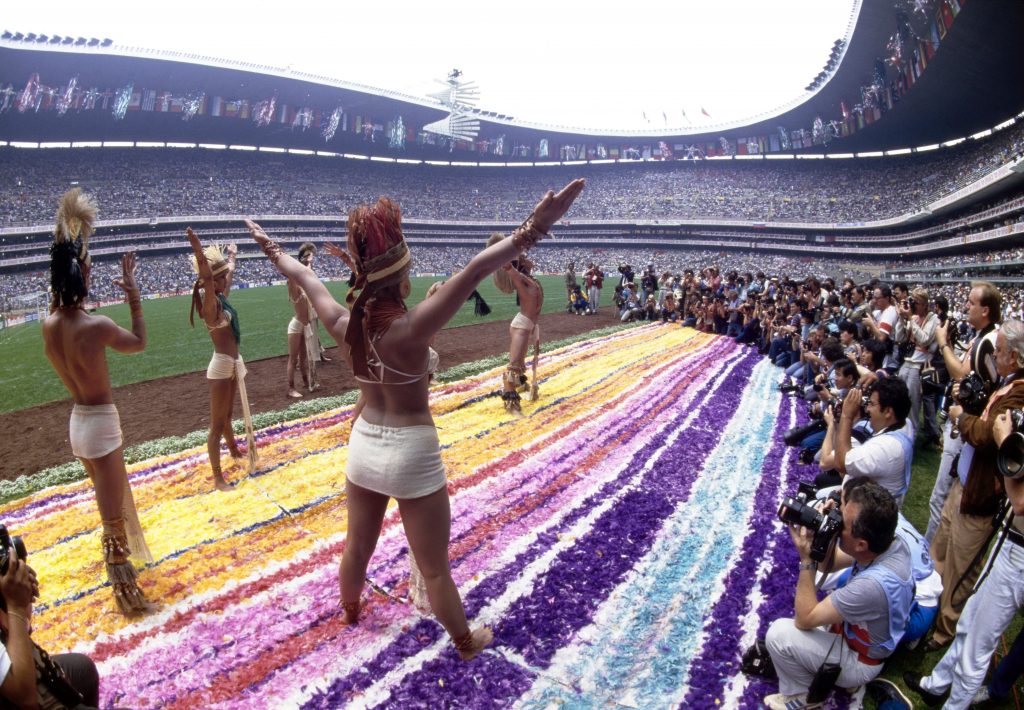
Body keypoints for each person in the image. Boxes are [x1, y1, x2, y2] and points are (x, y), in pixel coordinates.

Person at [246, 178, 585, 661]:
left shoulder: (342, 325)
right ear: (401, 282)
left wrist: (269, 247)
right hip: (412, 453)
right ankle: (465, 642)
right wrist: (534, 228)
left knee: (356, 547)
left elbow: (303, 275)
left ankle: (350, 612)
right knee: (434, 567)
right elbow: (477, 268)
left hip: (364, 447)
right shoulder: (412, 327)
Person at [41, 188, 152, 615]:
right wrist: (134, 296)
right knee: (112, 520)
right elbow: (139, 342)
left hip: (78, 425)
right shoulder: (95, 326)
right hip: (102, 426)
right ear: (83, 275)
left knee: (109, 509)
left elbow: (60, 302)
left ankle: (127, 585)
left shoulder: (49, 326)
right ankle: (127, 598)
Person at [905, 321, 1024, 709]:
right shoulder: (1007, 384)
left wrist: (968, 421)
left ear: (1015, 356)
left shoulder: (1019, 394)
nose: (995, 355)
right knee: (969, 610)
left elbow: (1016, 490)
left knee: (976, 629)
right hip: (979, 497)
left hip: (1007, 528)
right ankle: (936, 676)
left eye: (1000, 350)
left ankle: (946, 660)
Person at [763, 479, 914, 710]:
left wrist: (806, 559)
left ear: (861, 544)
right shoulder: (889, 542)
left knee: (779, 635)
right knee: (818, 608)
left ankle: (803, 695)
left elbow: (804, 618)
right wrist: (824, 536)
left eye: (842, 522)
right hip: (860, 635)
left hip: (860, 660)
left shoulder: (872, 586)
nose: (836, 523)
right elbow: (829, 564)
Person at [927, 282, 1005, 651]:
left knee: (961, 563)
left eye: (1002, 353)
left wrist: (943, 344)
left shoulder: (1012, 384)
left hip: (978, 480)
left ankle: (944, 628)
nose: (995, 357)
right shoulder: (992, 355)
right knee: (942, 544)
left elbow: (987, 429)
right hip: (966, 471)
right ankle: (929, 606)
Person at [0, 550, 116, 709]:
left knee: (82, 669)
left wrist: (18, 595)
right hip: (23, 694)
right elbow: (25, 697)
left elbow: (20, 632)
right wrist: (15, 607)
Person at [187, 228, 257, 491]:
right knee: (216, 425)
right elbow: (207, 278)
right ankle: (217, 478)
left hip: (232, 364)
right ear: (213, 282)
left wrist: (232, 257)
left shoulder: (221, 299)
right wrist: (198, 251)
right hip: (220, 367)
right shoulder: (210, 305)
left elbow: (227, 276)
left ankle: (234, 450)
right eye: (222, 277)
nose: (226, 279)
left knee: (228, 416)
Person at [820, 378, 914, 505]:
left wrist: (846, 416)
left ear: (888, 412)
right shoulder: (905, 423)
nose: (867, 409)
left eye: (872, 404)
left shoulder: (885, 447)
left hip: (868, 511)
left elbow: (841, 463)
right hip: (866, 498)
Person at [487, 232, 545, 412]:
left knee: (519, 363)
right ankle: (510, 401)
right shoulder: (521, 281)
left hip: (526, 326)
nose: (528, 260)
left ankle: (520, 384)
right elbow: (510, 270)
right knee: (513, 365)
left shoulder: (529, 280)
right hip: (521, 326)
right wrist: (509, 257)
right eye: (525, 259)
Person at [896, 287, 938, 440]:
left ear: (925, 304)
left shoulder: (933, 319)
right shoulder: (913, 317)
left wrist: (911, 320)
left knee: (913, 405)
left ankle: (911, 437)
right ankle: (899, 432)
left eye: (917, 303)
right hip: (907, 362)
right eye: (913, 302)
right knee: (900, 400)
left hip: (919, 366)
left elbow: (924, 339)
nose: (914, 306)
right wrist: (902, 318)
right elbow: (900, 338)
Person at [285, 243, 320, 398]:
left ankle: (306, 382)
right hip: (296, 326)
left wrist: (309, 262)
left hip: (305, 326)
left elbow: (308, 274)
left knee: (303, 359)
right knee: (293, 359)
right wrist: (293, 265)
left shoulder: (302, 287)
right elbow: (294, 275)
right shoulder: (294, 290)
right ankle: (291, 388)